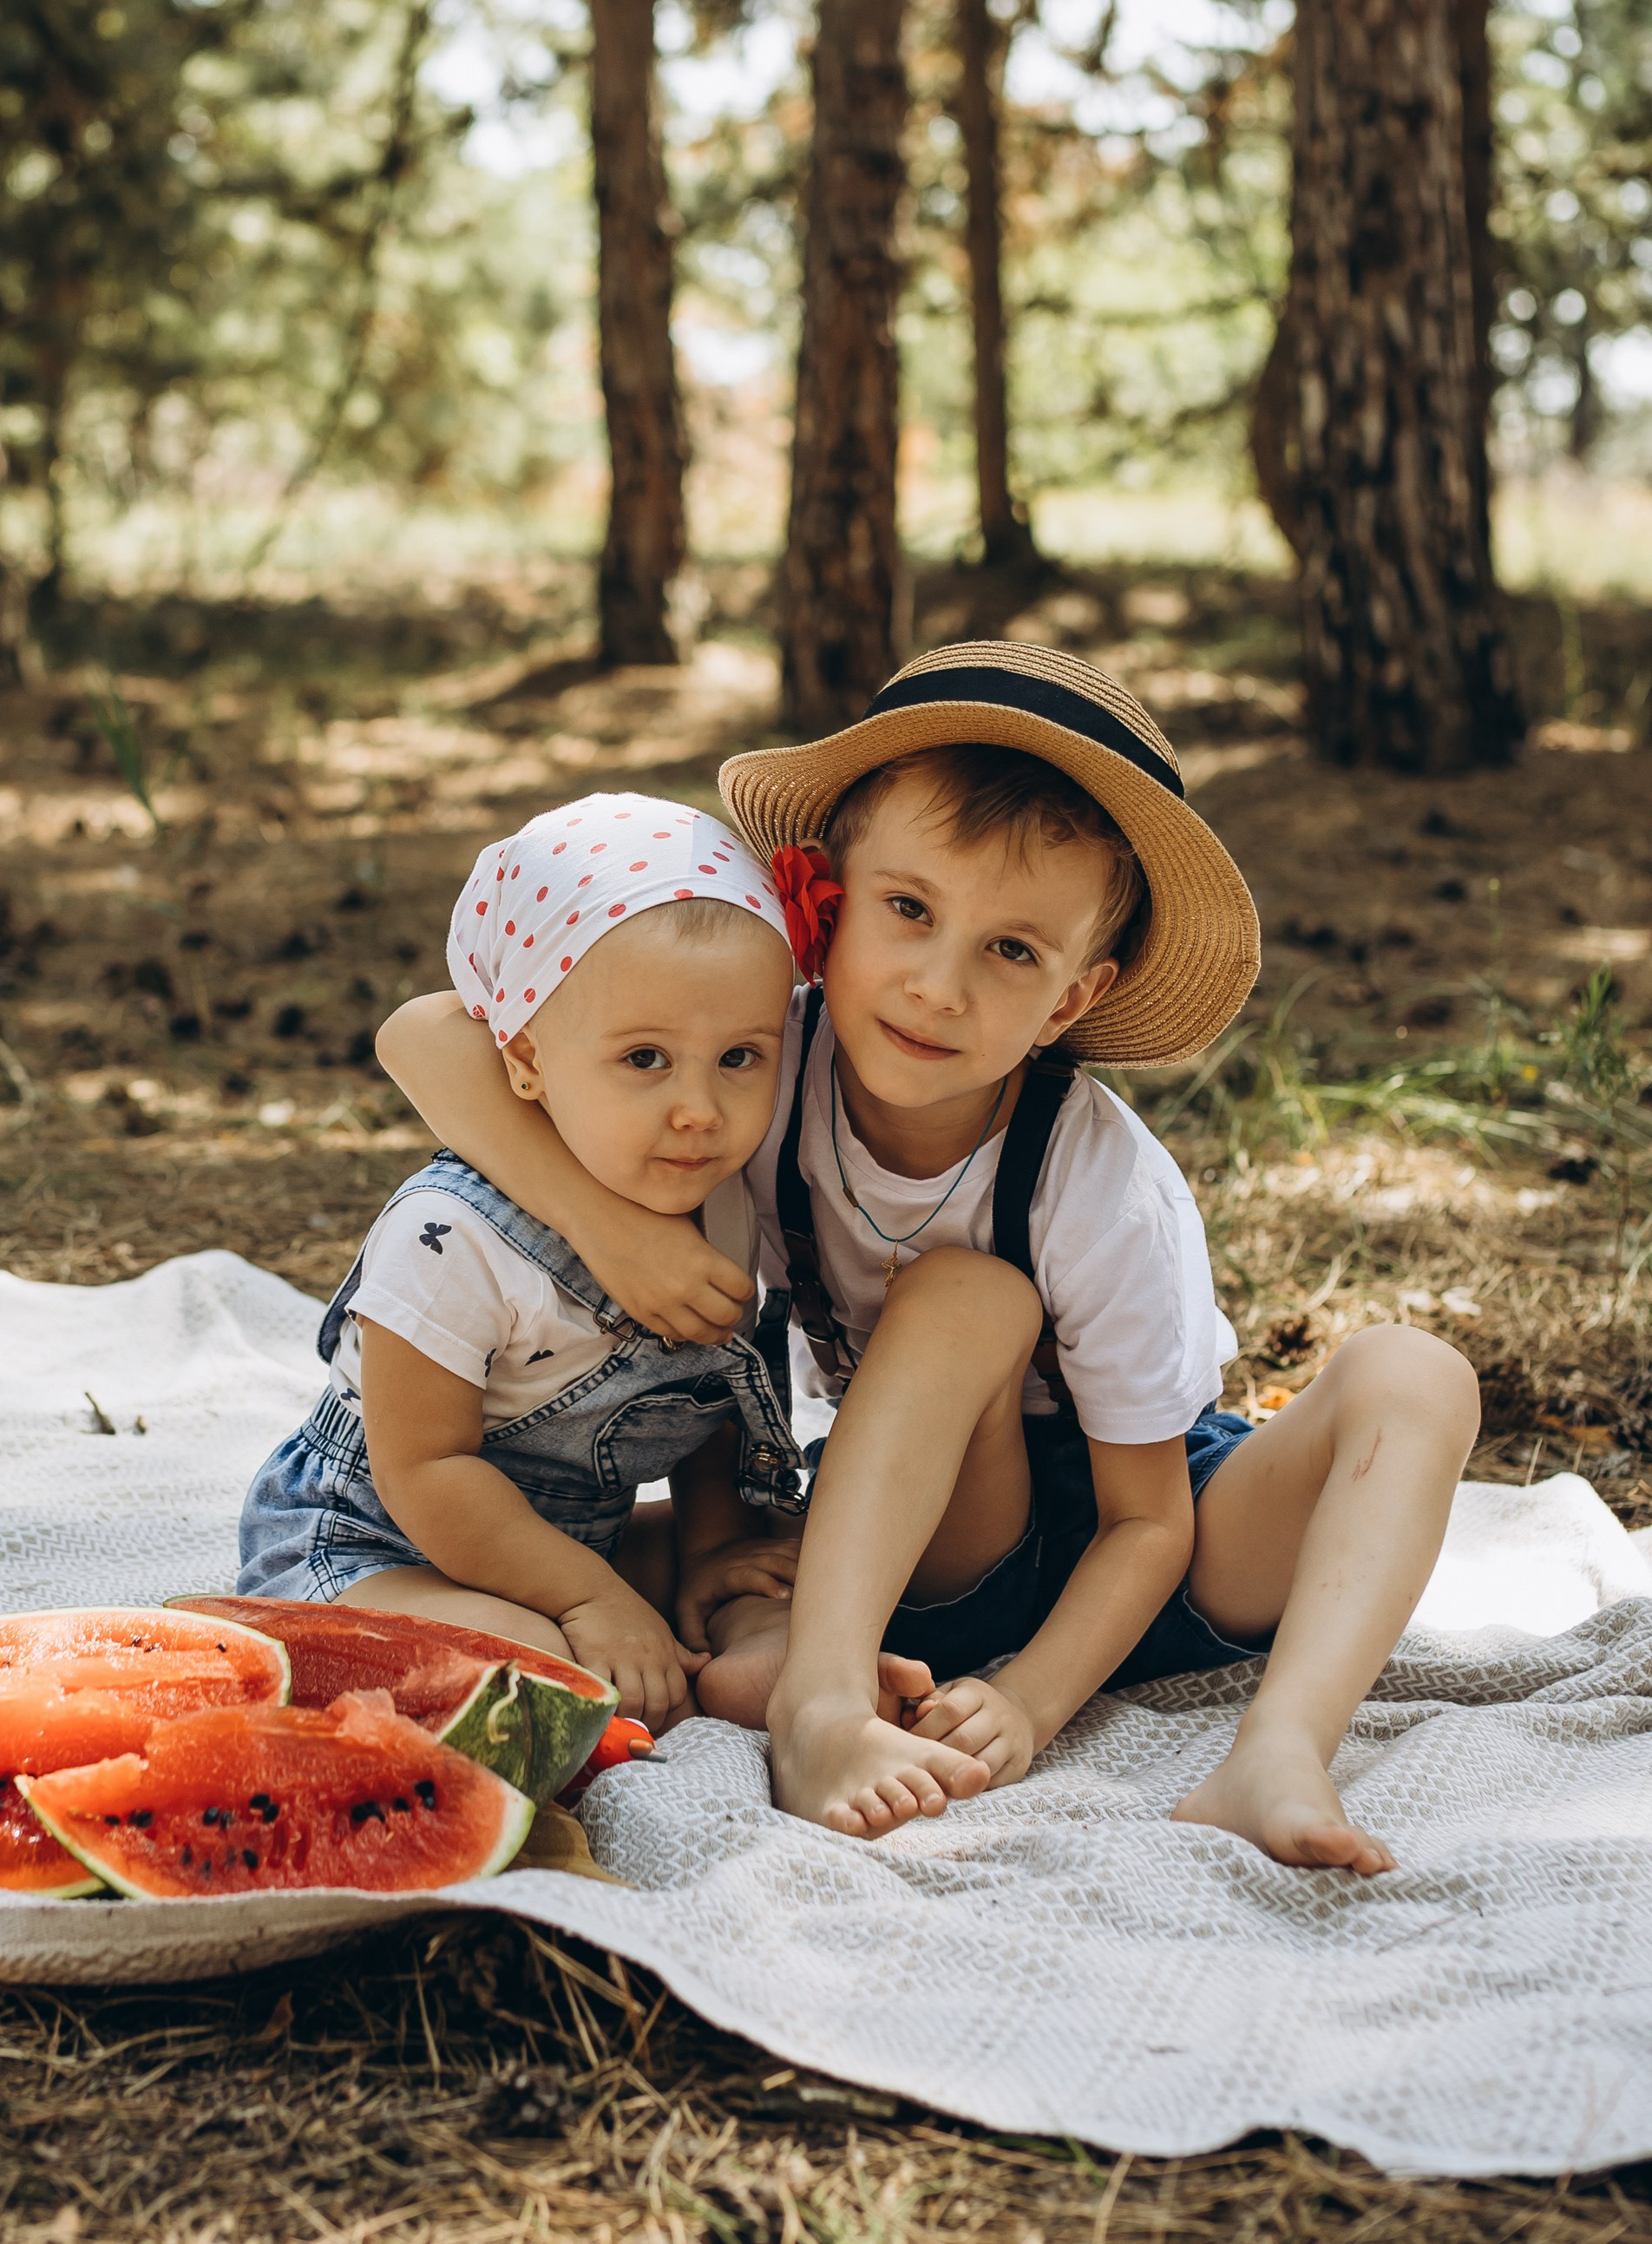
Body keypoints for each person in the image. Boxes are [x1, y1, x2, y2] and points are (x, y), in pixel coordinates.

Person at [377, 641, 1481, 1872]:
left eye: (1012, 952)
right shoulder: (750, 1063)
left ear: (1071, 999)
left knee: (1417, 1373)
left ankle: (1281, 1746)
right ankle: (823, 1700)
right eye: (908, 911)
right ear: (826, 904)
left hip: (1166, 1544)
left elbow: (1148, 1523)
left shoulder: (1096, 1180)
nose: (939, 987)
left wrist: (1034, 1702)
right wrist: (613, 1231)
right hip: (945, 1530)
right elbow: (423, 1033)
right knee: (955, 1304)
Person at [234, 792, 810, 1735]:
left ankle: (717, 1623)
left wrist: (712, 1548)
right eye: (646, 1059)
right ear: (527, 1059)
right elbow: (426, 1470)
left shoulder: (726, 1199)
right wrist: (591, 1601)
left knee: (804, 1572)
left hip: (579, 1538)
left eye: (740, 1056)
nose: (701, 1109)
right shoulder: (449, 1237)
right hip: (376, 1543)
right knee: (534, 1673)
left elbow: (707, 1397)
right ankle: (549, 1637)